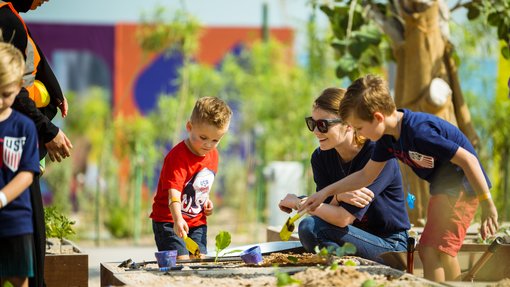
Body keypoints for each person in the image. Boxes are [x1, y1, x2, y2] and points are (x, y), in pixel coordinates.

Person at [300, 75, 499, 282]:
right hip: (442, 189)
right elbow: (365, 175)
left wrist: (487, 203)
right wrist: (325, 192)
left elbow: (469, 160)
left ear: (377, 118)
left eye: (359, 128)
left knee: (442, 250)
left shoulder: (419, 131)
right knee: (428, 250)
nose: (360, 133)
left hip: (461, 188)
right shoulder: (387, 139)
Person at [278, 87, 410, 263]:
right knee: (311, 227)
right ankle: (343, 268)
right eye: (312, 123)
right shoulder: (320, 157)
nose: (316, 131)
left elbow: (342, 218)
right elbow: (326, 211)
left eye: (323, 125)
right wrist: (338, 196)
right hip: (351, 236)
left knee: (310, 228)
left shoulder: (377, 155)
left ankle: (342, 267)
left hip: (390, 245)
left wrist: (298, 202)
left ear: (348, 123)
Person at [1, 1, 73, 286]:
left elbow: (33, 50)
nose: (44, 0)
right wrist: (47, 130)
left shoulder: (11, 16)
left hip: (16, 221)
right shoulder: (4, 18)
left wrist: (54, 92)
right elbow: (16, 89)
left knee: (23, 271)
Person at [150, 97, 232, 259]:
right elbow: (173, 193)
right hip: (169, 220)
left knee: (199, 261)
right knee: (180, 262)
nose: (208, 144)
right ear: (189, 127)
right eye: (203, 138)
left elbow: (200, 185)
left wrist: (206, 200)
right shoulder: (178, 157)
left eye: (215, 140)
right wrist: (178, 219)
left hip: (197, 222)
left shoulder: (213, 155)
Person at [0, 42, 40, 287]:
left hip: (16, 221)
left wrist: (2, 198)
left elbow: (27, 173)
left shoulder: (24, 127)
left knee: (19, 278)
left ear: (17, 88)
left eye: (5, 94)